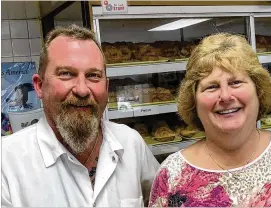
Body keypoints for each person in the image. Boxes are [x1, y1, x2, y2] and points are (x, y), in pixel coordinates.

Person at [148, 33, 271, 207]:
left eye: (236, 82)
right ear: (193, 101)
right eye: (211, 87)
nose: (226, 96)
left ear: (258, 91)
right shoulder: (171, 175)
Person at [2, 24, 160, 207]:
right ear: (39, 86)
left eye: (93, 75)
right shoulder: (7, 162)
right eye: (66, 74)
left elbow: (160, 198)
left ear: (106, 88)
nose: (82, 90)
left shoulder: (131, 143)